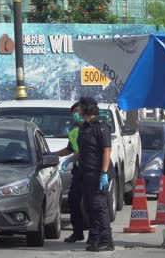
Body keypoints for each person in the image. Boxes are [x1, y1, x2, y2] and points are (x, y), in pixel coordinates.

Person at [76, 96, 115, 252]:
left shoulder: (101, 126)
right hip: (86, 173)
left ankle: (107, 240)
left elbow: (107, 150)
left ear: (86, 108)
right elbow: (84, 150)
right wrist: (67, 160)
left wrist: (104, 172)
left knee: (99, 207)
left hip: (98, 173)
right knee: (89, 207)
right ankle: (95, 237)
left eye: (80, 107)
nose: (78, 110)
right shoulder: (85, 127)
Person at [52, 102, 85, 243]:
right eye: (74, 112)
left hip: (92, 169)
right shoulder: (72, 130)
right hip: (78, 169)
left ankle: (99, 234)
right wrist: (52, 154)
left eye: (78, 111)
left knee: (93, 204)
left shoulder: (91, 128)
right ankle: (77, 232)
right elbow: (70, 148)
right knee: (73, 200)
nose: (76, 114)